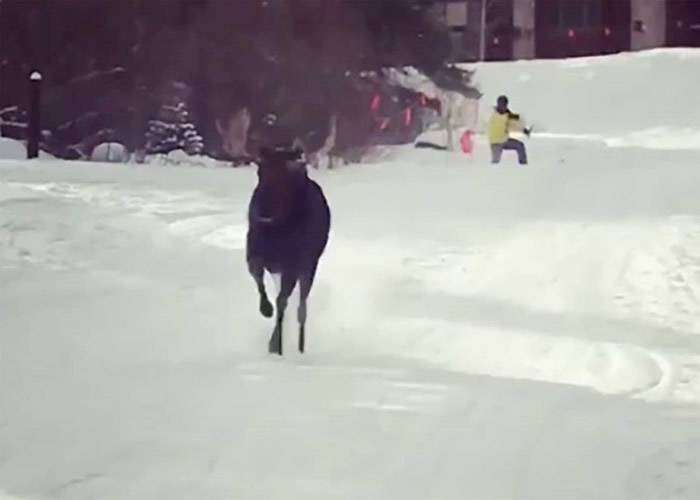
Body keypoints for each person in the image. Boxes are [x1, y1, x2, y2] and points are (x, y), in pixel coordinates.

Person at [487, 95, 531, 165]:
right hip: (495, 143)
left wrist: (524, 130)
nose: (503, 107)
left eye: (504, 105)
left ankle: (523, 166)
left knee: (520, 146)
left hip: (504, 141)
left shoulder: (507, 116)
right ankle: (492, 173)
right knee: (495, 162)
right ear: (498, 104)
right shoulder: (492, 113)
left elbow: (514, 125)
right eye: (501, 104)